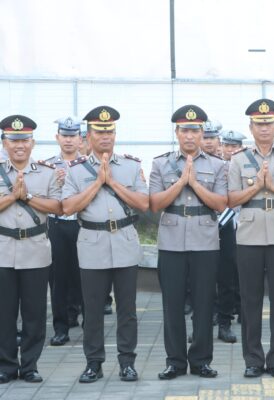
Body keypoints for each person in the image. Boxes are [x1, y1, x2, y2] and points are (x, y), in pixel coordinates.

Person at [62, 106, 149, 383]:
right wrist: (96, 183)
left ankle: (127, 362)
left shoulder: (132, 166)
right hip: (92, 245)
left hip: (124, 242)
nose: (105, 136)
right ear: (88, 135)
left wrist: (112, 182)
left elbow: (143, 204)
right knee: (93, 310)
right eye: (99, 131)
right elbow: (67, 207)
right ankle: (94, 363)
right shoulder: (75, 171)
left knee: (127, 310)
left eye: (109, 131)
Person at [150, 105, 227, 380]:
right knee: (171, 305)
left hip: (205, 241)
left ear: (202, 131)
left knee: (205, 303)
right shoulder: (161, 163)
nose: (190, 136)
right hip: (171, 240)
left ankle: (201, 360)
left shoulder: (218, 165)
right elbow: (155, 203)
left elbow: (220, 203)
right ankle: (175, 361)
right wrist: (181, 181)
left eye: (195, 130)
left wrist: (195, 184)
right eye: (185, 130)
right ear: (177, 132)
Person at [227, 98, 274, 378]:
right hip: (249, 233)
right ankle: (253, 360)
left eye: (268, 123)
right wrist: (257, 186)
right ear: (251, 126)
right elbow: (231, 198)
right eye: (259, 124)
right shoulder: (237, 159)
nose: (264, 129)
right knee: (250, 300)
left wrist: (272, 186)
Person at [0, 115, 62, 384]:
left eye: (24, 140)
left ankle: (30, 366)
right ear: (4, 143)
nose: (19, 145)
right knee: (4, 313)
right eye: (13, 140)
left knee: (34, 313)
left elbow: (58, 207)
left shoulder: (47, 172)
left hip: (36, 250)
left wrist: (29, 197)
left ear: (33, 142)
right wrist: (12, 197)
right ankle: (6, 365)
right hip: (3, 250)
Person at [46, 117, 84, 346]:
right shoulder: (48, 166)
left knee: (86, 277)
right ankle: (61, 327)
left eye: (73, 136)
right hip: (57, 225)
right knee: (57, 279)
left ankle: (90, 322)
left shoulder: (90, 164)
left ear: (81, 139)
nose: (69, 140)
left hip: (82, 224)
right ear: (57, 138)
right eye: (65, 136)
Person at [199, 120, 237, 343]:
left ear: (219, 142)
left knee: (226, 277)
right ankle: (201, 324)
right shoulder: (191, 164)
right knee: (201, 278)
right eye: (206, 137)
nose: (209, 142)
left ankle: (225, 322)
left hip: (225, 224)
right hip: (202, 223)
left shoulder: (230, 165)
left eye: (213, 138)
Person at [219, 130, 246, 321]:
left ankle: (242, 309)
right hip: (222, 224)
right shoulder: (216, 166)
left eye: (234, 146)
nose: (230, 149)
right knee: (224, 271)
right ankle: (222, 313)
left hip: (242, 221)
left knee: (242, 270)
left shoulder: (247, 165)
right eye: (227, 145)